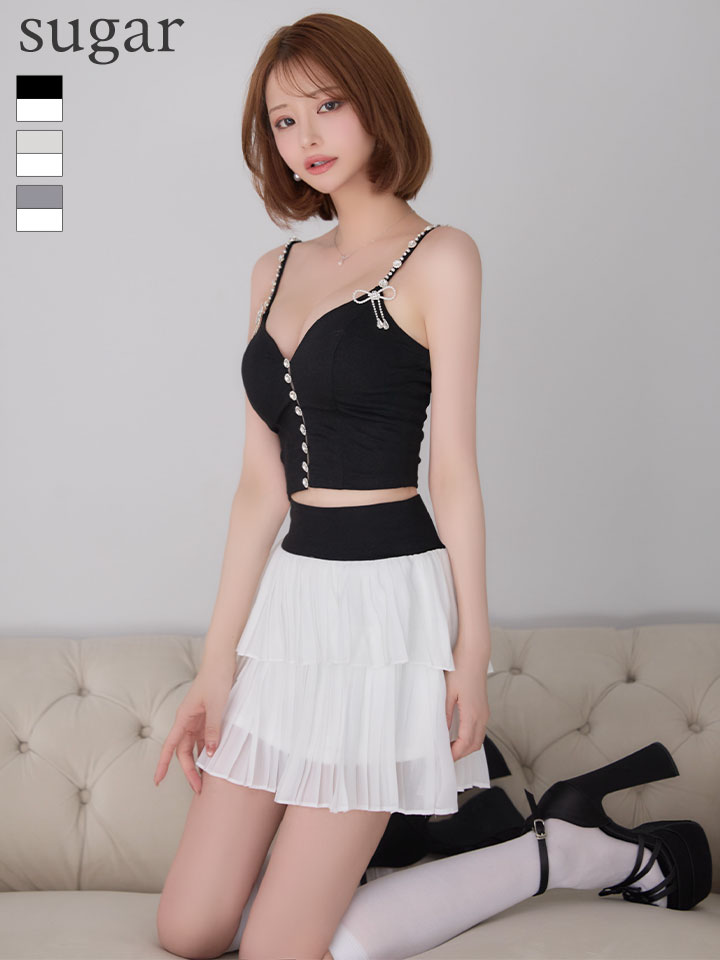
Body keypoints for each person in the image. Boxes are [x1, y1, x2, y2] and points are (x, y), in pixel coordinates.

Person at [153, 13, 712, 960]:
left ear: (376, 105)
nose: (307, 136)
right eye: (284, 120)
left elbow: (451, 469)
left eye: (328, 105)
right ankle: (413, 854)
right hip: (293, 609)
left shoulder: (440, 257)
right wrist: (216, 669)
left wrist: (469, 650)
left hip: (389, 610)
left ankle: (562, 850)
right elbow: (259, 488)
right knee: (187, 929)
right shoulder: (272, 270)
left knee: (286, 950)